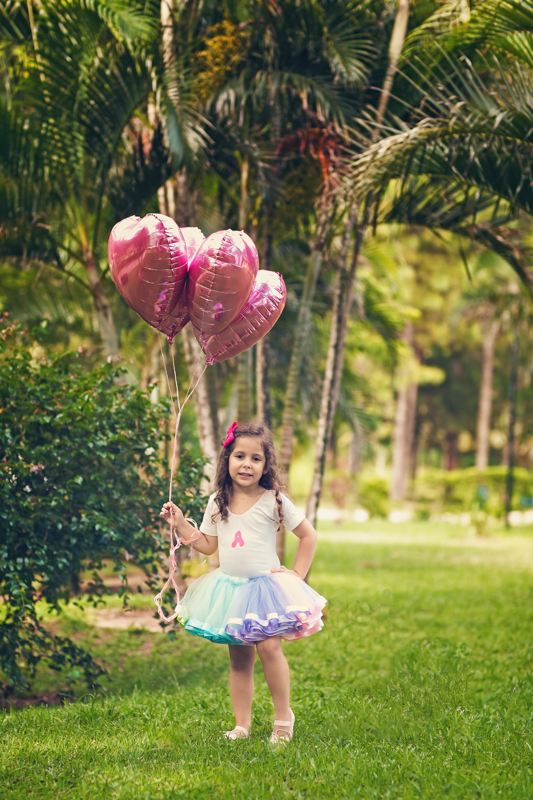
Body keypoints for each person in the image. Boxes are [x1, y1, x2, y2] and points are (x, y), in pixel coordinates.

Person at [160, 421, 326, 744]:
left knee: (269, 648)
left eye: (255, 458)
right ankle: (242, 725)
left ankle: (283, 719)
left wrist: (297, 575)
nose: (246, 464)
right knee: (239, 658)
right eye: (239, 456)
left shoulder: (273, 500)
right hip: (231, 590)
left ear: (266, 465)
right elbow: (208, 544)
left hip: (265, 589)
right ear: (227, 460)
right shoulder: (217, 501)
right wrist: (179, 523)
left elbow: (308, 535)